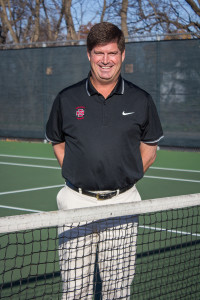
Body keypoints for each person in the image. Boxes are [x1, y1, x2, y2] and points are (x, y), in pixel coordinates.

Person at [46, 22, 163, 300]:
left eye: (112, 53)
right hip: (75, 202)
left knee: (117, 289)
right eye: (99, 53)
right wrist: (76, 173)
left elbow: (150, 147)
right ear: (89, 55)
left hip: (123, 202)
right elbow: (57, 141)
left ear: (122, 54)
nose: (106, 60)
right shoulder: (66, 98)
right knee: (75, 290)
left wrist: (126, 176)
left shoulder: (142, 99)